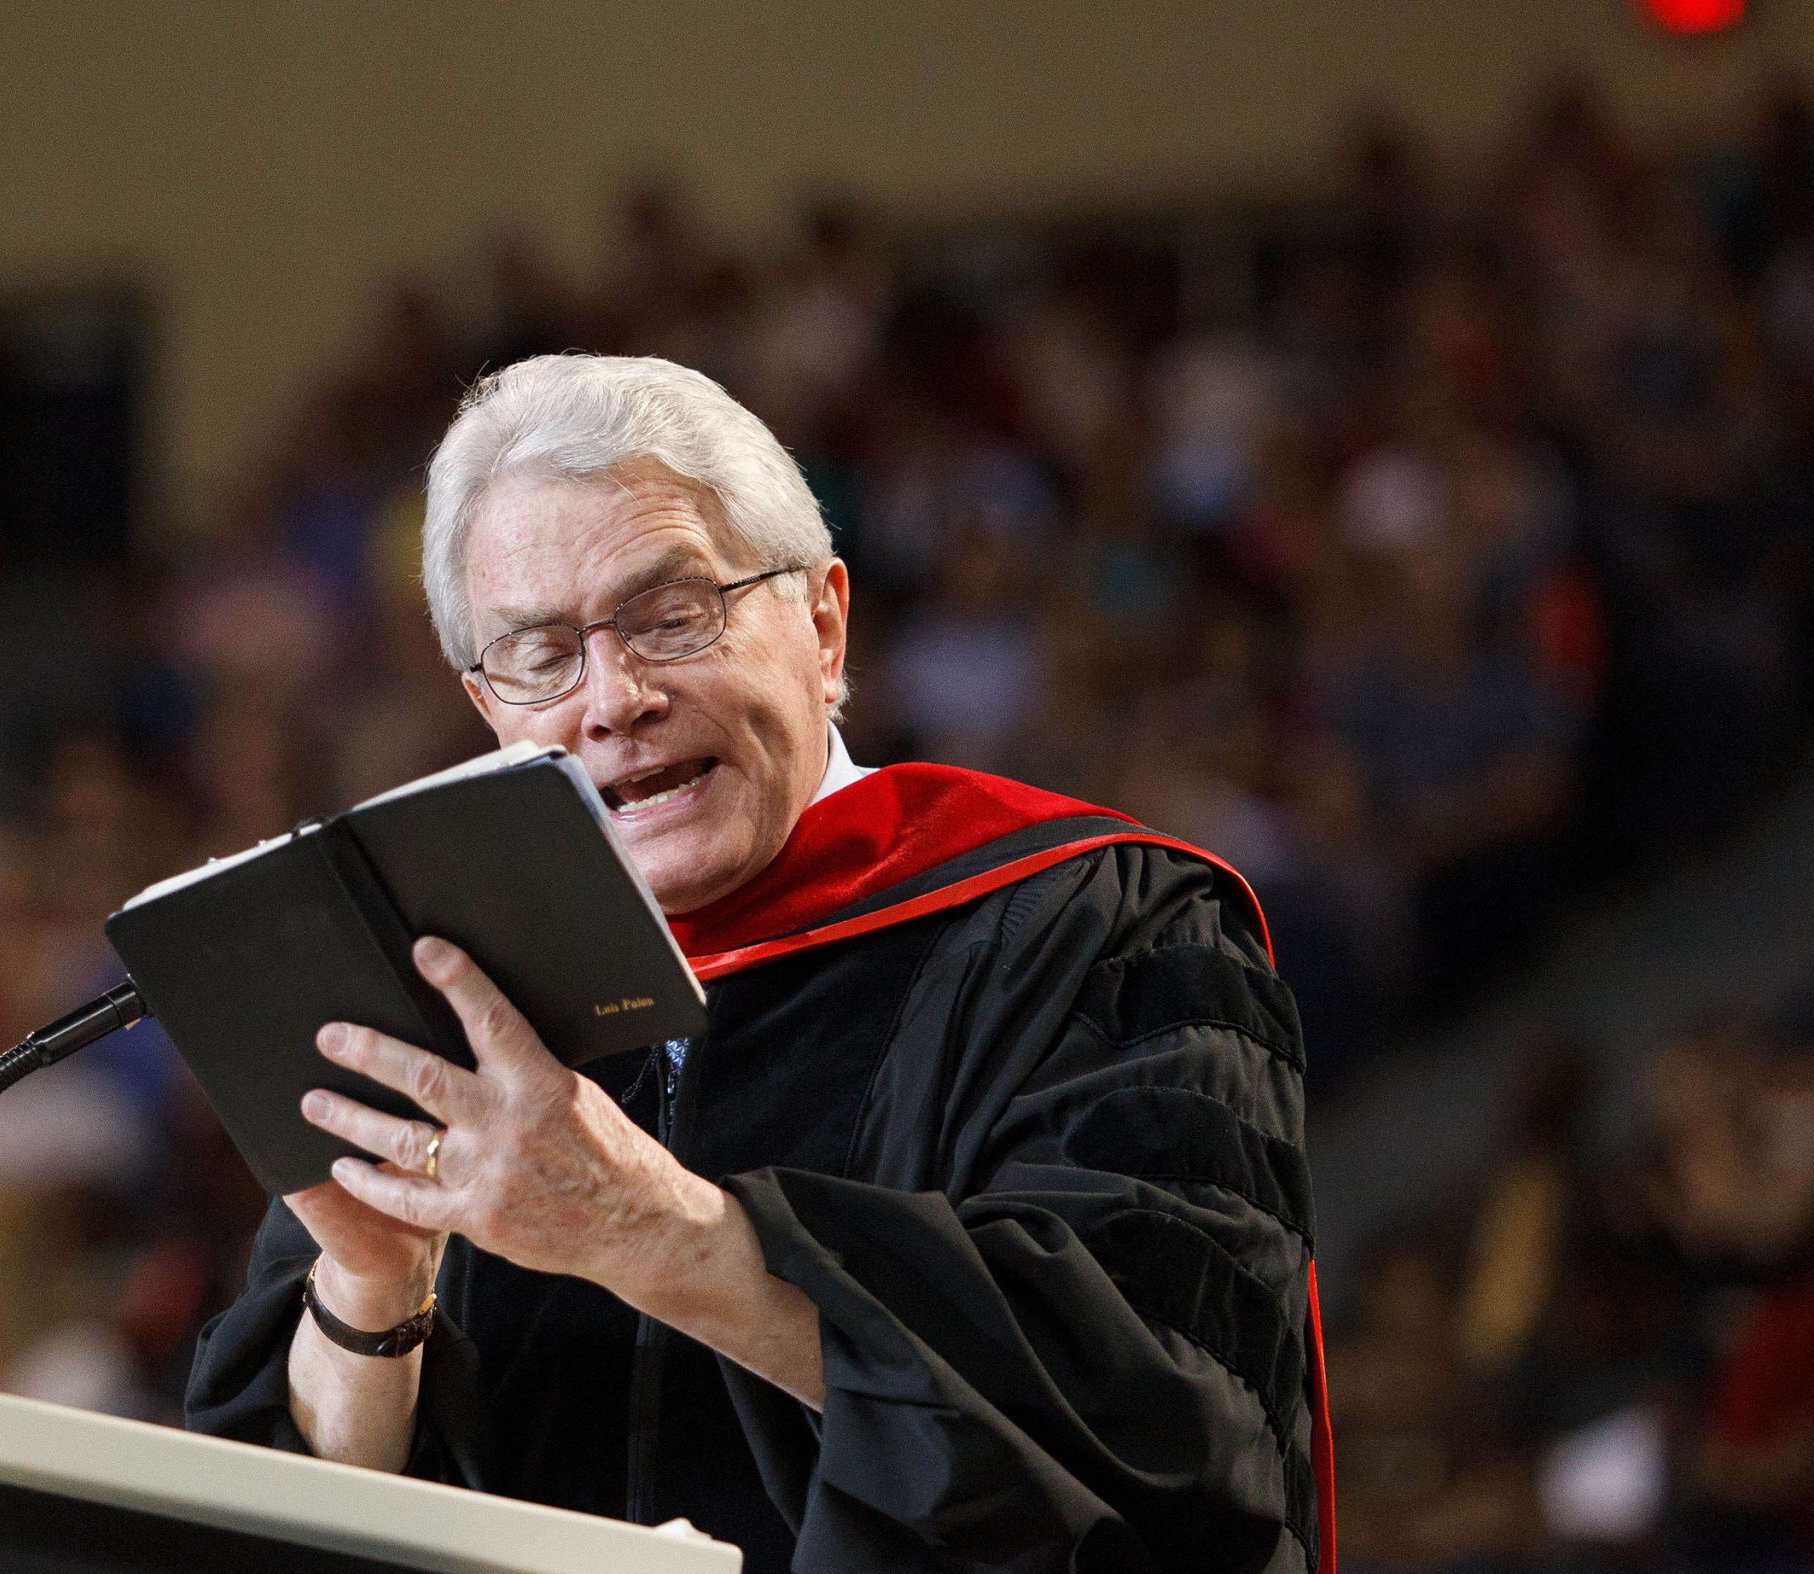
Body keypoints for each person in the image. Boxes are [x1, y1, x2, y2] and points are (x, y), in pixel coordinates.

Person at [187, 355, 1328, 1572]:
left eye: (671, 617)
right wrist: (369, 1289)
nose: (614, 699)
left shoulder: (1101, 929)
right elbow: (273, 1525)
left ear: (824, 626)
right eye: (540, 656)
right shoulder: (448, 1014)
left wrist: (656, 1230)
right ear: (487, 709)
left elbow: (1170, 1432)